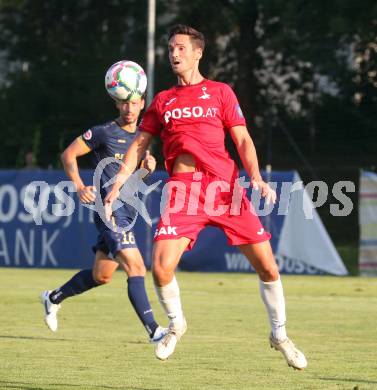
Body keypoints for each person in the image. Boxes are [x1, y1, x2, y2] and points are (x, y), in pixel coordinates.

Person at [104, 25, 307, 369]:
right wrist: (120, 180)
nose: (174, 53)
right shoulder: (163, 101)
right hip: (184, 193)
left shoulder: (220, 92)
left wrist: (255, 177)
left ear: (198, 52)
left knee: (268, 267)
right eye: (170, 48)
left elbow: (242, 140)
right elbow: (140, 144)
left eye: (181, 48)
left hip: (224, 189)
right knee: (161, 268)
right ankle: (176, 324)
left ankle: (279, 335)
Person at [40, 90, 166, 343]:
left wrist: (146, 169)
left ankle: (53, 297)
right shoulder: (103, 132)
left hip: (128, 211)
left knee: (102, 275)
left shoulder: (144, 138)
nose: (129, 108)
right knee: (137, 267)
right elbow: (68, 154)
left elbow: (133, 177)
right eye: (124, 103)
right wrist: (78, 186)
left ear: (142, 104)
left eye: (134, 103)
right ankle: (155, 331)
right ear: (116, 103)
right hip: (109, 211)